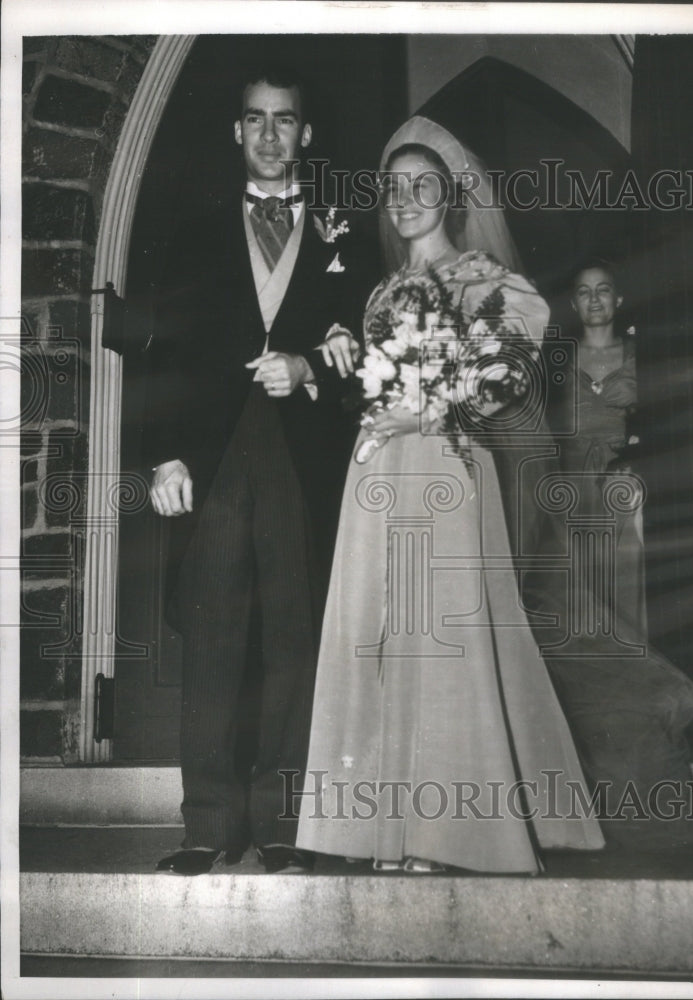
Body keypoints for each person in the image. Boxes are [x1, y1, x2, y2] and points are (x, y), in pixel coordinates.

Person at [295, 116, 605, 874]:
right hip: (375, 477)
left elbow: (501, 380)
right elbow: (366, 377)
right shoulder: (376, 292)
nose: (405, 200)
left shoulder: (491, 283)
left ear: (453, 194)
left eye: (422, 185)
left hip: (444, 467)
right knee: (380, 632)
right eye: (394, 187)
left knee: (442, 635)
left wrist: (422, 409)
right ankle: (381, 830)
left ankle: (446, 833)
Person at [146, 63, 374, 875]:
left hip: (300, 458)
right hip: (212, 457)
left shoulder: (348, 229)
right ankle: (207, 823)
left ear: (306, 134)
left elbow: (374, 357)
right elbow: (161, 352)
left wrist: (310, 368)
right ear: (236, 131)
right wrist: (165, 452)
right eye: (257, 120)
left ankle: (280, 821)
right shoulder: (196, 225)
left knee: (293, 635)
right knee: (211, 635)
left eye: (286, 120)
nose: (272, 135)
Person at [557, 261, 647, 636]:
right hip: (567, 482)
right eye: (583, 291)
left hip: (622, 480)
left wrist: (634, 455)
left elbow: (661, 422)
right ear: (574, 305)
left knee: (624, 574)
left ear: (619, 298)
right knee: (574, 584)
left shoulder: (640, 355)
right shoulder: (555, 359)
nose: (594, 299)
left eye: (603, 289)